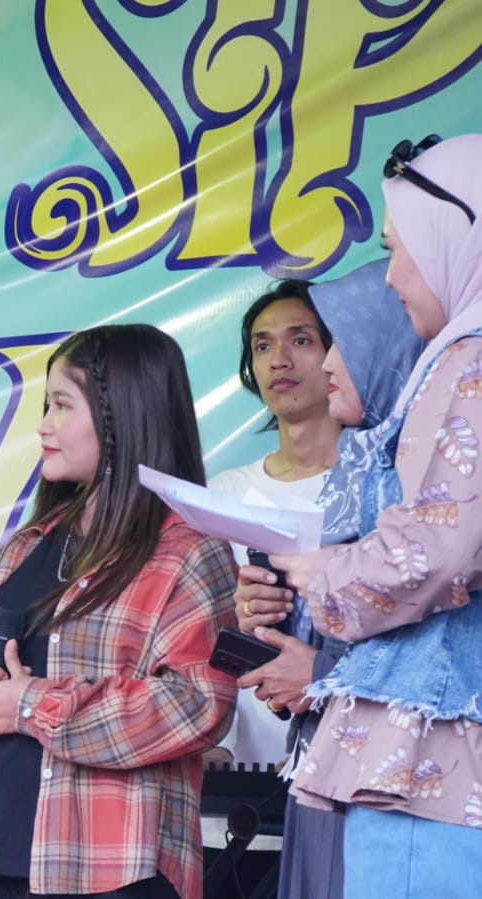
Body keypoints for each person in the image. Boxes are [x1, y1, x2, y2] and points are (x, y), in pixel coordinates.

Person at [0, 324, 238, 899]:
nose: (43, 425)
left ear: (121, 416)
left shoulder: (187, 552)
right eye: (45, 405)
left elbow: (197, 706)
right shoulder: (27, 546)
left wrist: (30, 705)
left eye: (61, 405)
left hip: (107, 868)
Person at [268, 134, 482, 899]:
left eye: (398, 249)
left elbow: (440, 545)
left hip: (432, 767)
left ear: (452, 236)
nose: (389, 276)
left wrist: (325, 574)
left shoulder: (468, 359)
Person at [232, 258, 424, 899]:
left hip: (395, 782)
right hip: (314, 760)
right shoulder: (361, 479)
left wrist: (320, 672)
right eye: (262, 346)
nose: (284, 361)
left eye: (310, 341)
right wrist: (261, 614)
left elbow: (441, 657)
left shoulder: (417, 486)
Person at [207, 281, 340, 767]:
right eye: (262, 346)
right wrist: (216, 743)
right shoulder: (223, 494)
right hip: (245, 762)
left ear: (340, 353)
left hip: (350, 752)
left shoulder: (379, 485)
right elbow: (197, 637)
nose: (279, 361)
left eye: (300, 340)